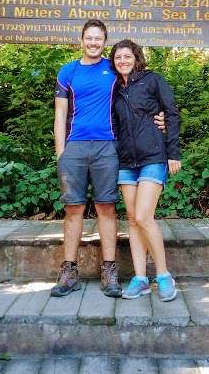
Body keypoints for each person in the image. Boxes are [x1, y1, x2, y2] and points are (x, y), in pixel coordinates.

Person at [51, 19, 122, 298]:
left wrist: (161, 117)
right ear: (81, 40)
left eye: (98, 39)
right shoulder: (68, 71)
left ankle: (109, 271)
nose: (93, 43)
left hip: (107, 147)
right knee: (73, 208)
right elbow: (60, 114)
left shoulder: (114, 69)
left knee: (107, 207)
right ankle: (69, 271)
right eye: (89, 38)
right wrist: (61, 153)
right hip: (75, 148)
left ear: (105, 42)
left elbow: (138, 99)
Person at [109, 39, 181, 302]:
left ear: (136, 58)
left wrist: (173, 152)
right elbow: (114, 124)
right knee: (132, 219)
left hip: (153, 156)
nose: (123, 61)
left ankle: (163, 275)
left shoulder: (153, 80)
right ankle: (140, 279)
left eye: (127, 56)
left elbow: (172, 114)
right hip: (126, 161)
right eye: (118, 57)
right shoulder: (115, 89)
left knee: (143, 216)